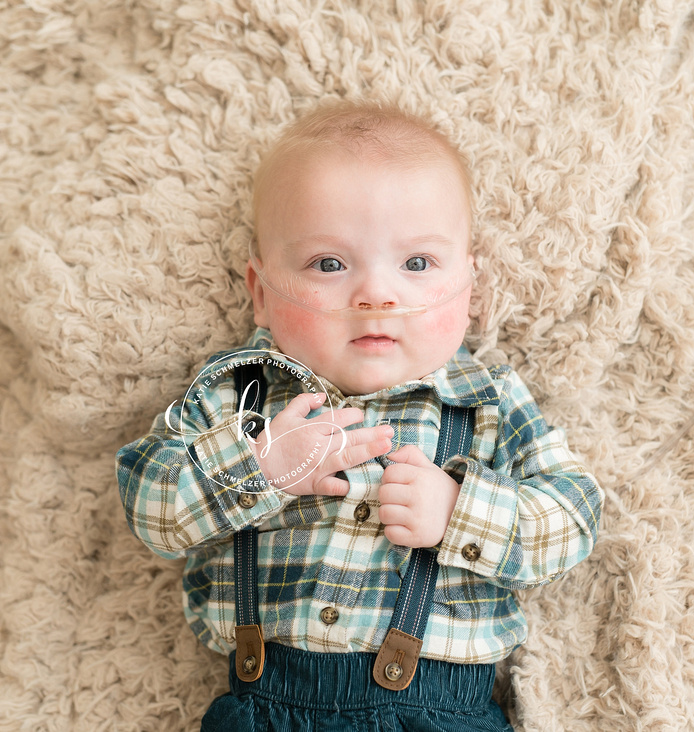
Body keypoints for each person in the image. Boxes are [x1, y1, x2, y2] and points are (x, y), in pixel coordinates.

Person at [116, 99, 603, 731]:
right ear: (261, 292)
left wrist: (460, 511)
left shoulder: (486, 401)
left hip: (438, 712)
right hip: (268, 709)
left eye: (418, 263)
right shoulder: (242, 394)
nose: (377, 293)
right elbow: (148, 505)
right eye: (329, 264)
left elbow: (575, 516)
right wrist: (258, 465)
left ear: (470, 285)